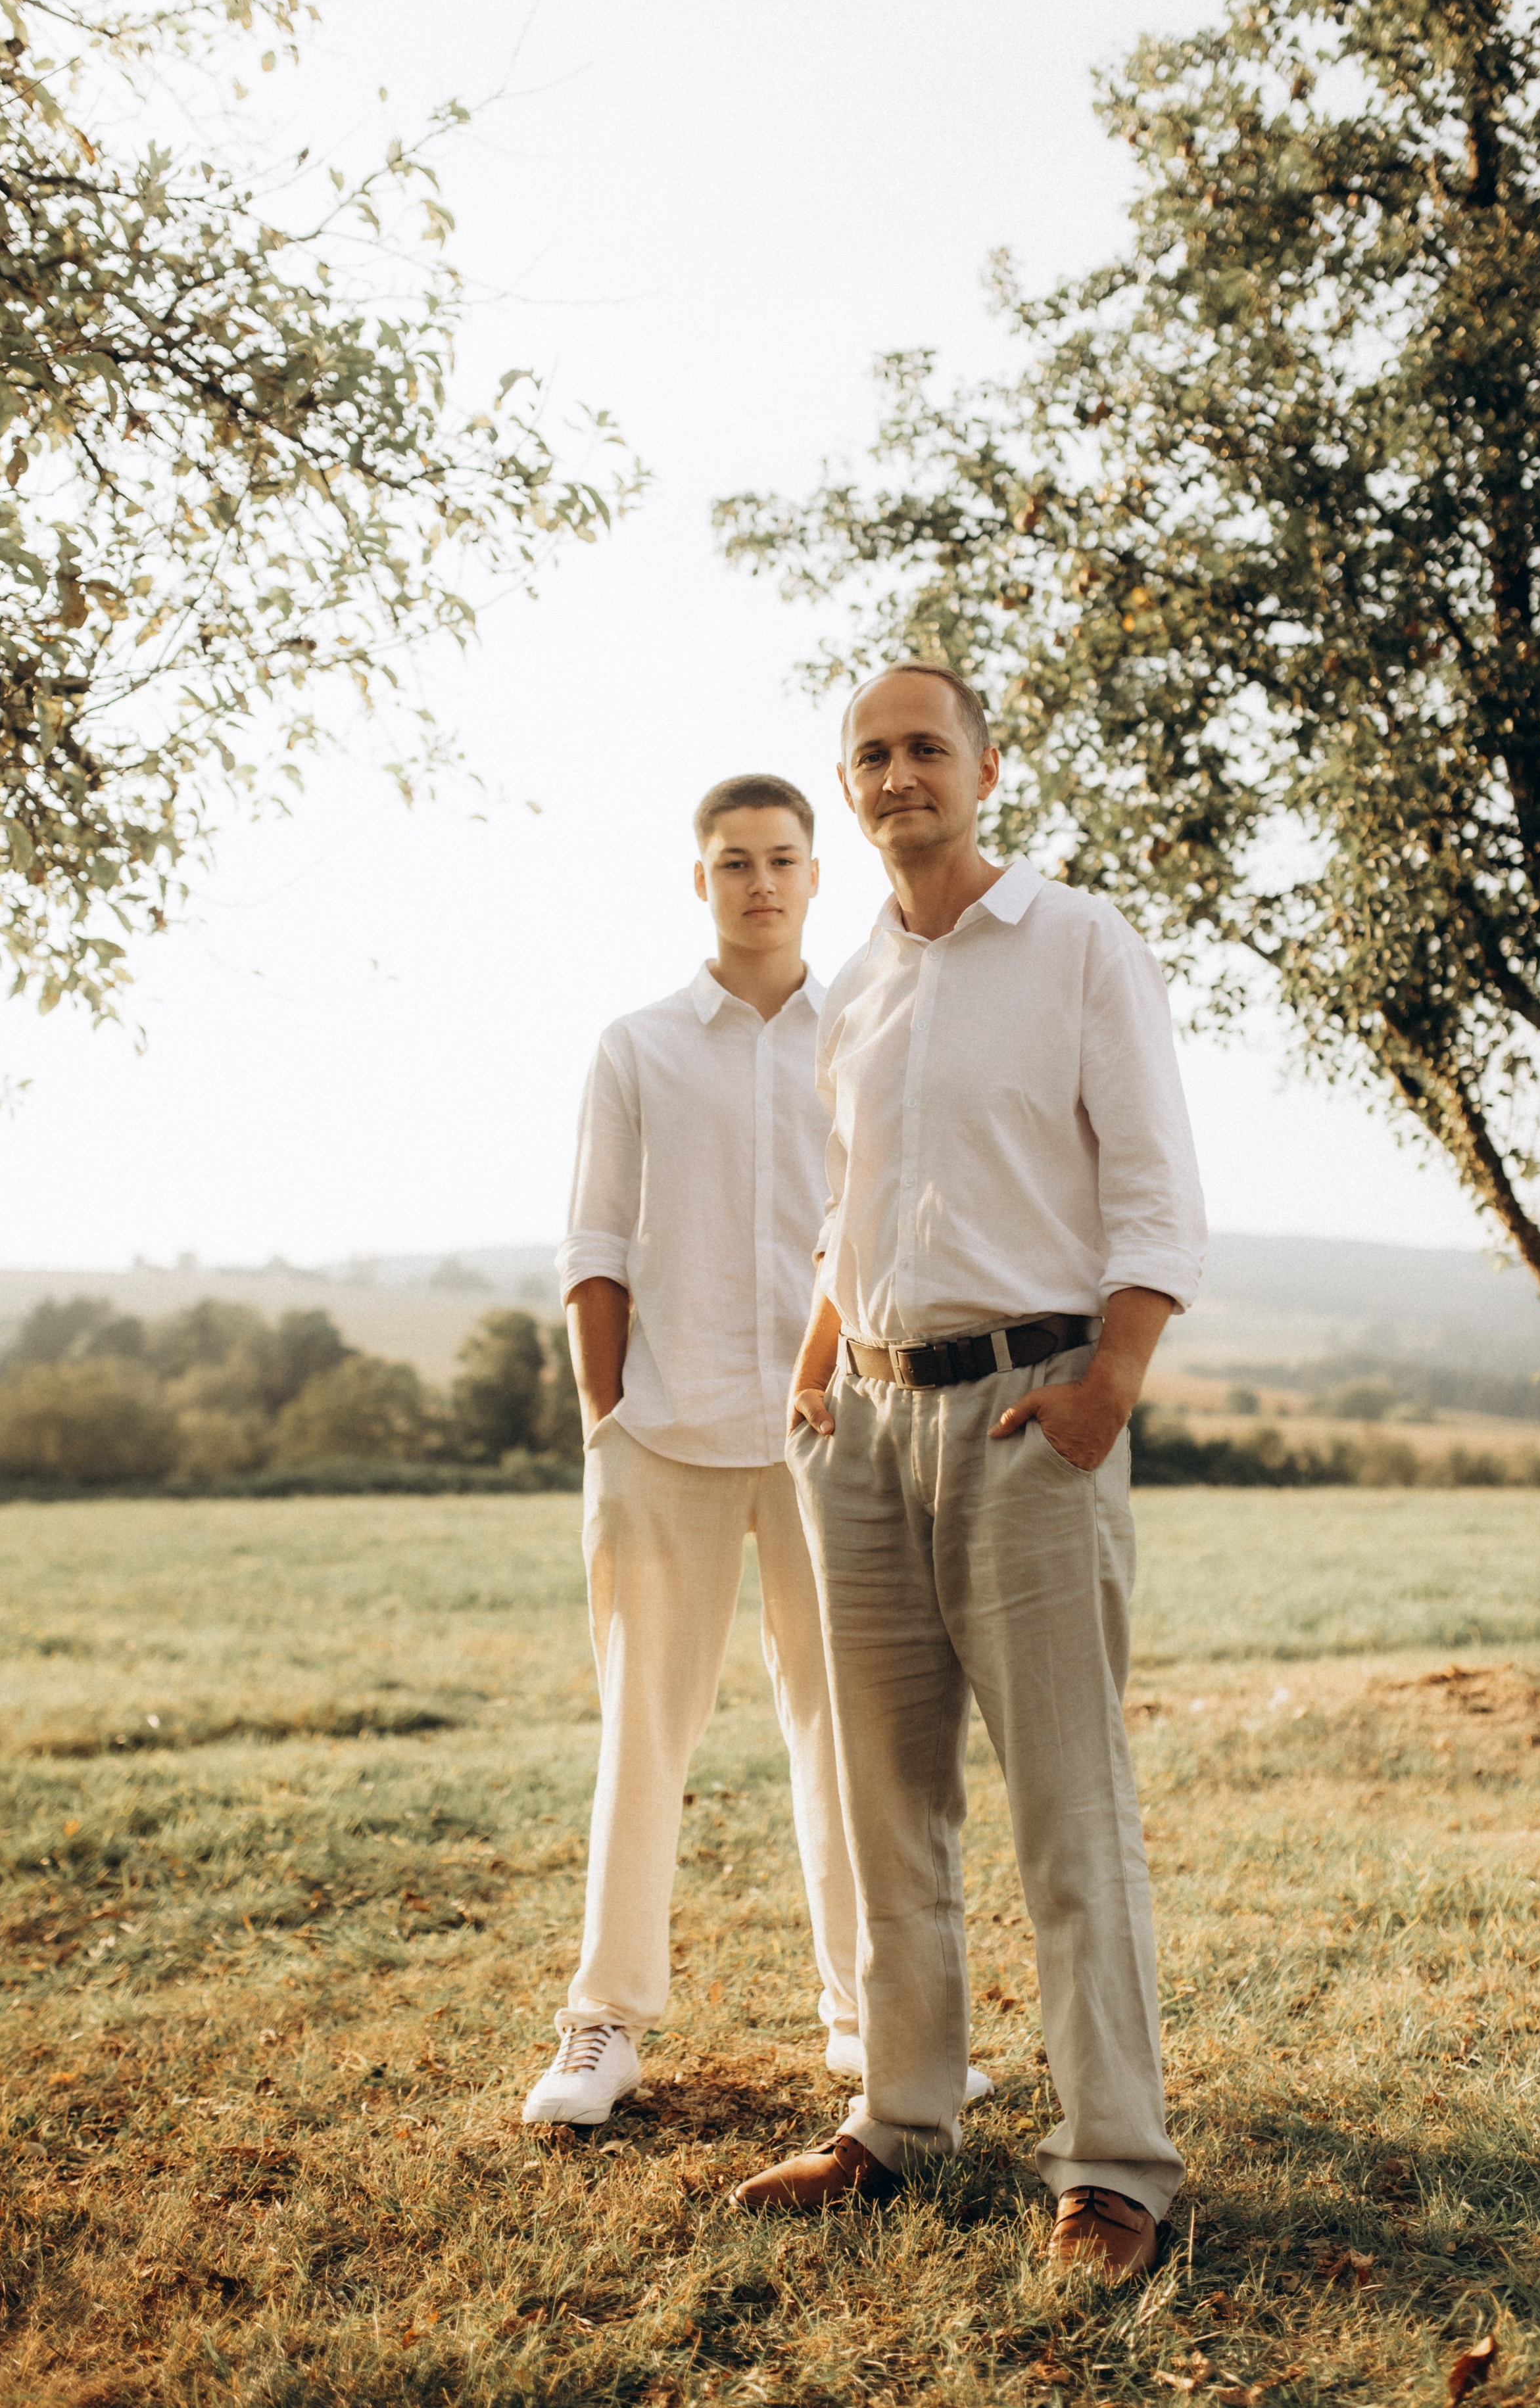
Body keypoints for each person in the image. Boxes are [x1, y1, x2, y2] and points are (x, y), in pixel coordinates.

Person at [730, 665, 1206, 2280]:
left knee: (1069, 1815)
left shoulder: (1077, 943)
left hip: (1030, 1413)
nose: (894, 774)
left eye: (923, 746)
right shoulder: (852, 985)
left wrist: (1108, 1386)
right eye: (867, 755)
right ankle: (899, 2118)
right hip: (862, 1433)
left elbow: (1149, 1185)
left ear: (985, 769)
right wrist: (815, 1378)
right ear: (847, 791)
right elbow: (846, 1215)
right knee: (880, 1808)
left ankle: (1115, 2163)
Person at [525, 774, 994, 2128]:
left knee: (847, 1740)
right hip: (660, 1439)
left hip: (829, 1434)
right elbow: (593, 1244)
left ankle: (869, 2019)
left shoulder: (864, 1026)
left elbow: (890, 1228)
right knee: (641, 1739)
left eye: (782, 858)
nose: (760, 882)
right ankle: (600, 2026)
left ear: (811, 871)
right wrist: (602, 1419)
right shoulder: (635, 1047)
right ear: (700, 880)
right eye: (732, 862)